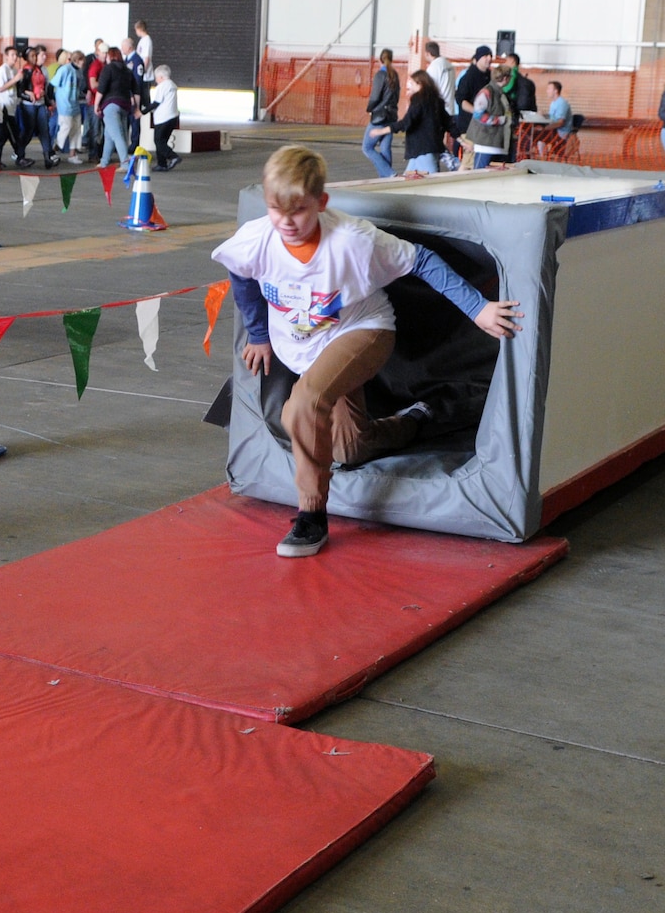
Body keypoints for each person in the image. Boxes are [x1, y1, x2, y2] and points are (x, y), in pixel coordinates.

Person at [211, 145, 521, 558]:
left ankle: (312, 517)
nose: (286, 222)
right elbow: (241, 275)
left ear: (321, 203)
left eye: (299, 210)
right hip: (306, 350)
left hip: (364, 332)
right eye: (275, 209)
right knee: (347, 448)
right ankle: (420, 417)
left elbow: (422, 260)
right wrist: (258, 334)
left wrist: (476, 307)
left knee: (304, 404)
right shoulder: (258, 240)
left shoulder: (352, 242)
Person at [95, 47, 139, 169]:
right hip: (125, 106)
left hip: (110, 105)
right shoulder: (127, 70)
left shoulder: (108, 69)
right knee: (110, 134)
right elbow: (136, 91)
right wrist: (136, 108)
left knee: (117, 135)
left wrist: (96, 104)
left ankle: (125, 163)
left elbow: (101, 89)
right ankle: (104, 161)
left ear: (109, 57)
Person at [398, 70, 447, 176]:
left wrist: (388, 129)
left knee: (432, 179)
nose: (409, 86)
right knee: (408, 178)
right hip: (423, 149)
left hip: (423, 149)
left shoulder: (418, 100)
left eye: (412, 83)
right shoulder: (435, 100)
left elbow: (408, 121)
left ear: (420, 84)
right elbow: (447, 122)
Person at [362, 48, 400, 178]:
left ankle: (389, 173)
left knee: (367, 147)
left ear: (380, 59)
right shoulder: (395, 75)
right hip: (391, 116)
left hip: (379, 116)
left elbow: (375, 97)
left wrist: (369, 109)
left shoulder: (380, 75)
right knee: (385, 148)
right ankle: (385, 179)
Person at [50, 48, 82, 161]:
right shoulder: (64, 70)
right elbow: (52, 84)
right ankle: (55, 147)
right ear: (77, 60)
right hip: (65, 103)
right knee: (66, 127)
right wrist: (51, 100)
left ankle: (72, 154)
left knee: (76, 129)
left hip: (75, 104)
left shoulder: (79, 72)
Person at [454, 46, 494, 132]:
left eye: (490, 56)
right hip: (470, 125)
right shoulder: (468, 77)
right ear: (478, 58)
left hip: (486, 125)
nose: (489, 58)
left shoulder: (490, 76)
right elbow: (461, 100)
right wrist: (477, 112)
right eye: (486, 56)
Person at [149, 64, 181, 171]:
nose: (156, 80)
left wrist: (142, 112)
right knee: (163, 141)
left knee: (158, 141)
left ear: (161, 77)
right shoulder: (173, 85)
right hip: (173, 117)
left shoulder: (161, 86)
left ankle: (173, 156)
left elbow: (156, 103)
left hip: (163, 118)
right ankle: (161, 164)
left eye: (156, 77)